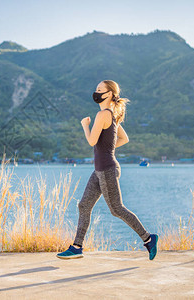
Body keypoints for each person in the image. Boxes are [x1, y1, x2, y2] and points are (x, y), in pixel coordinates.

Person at [56, 80, 158, 260]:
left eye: (99, 90)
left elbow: (91, 141)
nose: (96, 92)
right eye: (95, 89)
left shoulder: (103, 115)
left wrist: (84, 126)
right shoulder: (112, 116)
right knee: (84, 205)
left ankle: (149, 238)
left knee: (117, 209)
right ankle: (77, 246)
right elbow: (124, 138)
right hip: (100, 170)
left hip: (107, 170)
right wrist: (108, 150)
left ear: (109, 94)